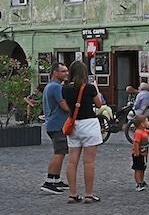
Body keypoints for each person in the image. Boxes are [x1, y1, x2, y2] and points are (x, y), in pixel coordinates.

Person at [61, 59, 104, 203]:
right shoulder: (90, 88)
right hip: (89, 124)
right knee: (89, 162)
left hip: (74, 125)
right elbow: (99, 104)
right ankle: (89, 194)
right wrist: (96, 89)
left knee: (72, 161)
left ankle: (72, 194)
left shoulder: (65, 89)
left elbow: (68, 106)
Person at [39, 62, 71, 194]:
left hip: (53, 123)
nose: (66, 73)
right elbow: (64, 105)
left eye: (67, 71)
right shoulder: (56, 87)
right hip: (57, 124)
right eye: (63, 71)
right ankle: (49, 181)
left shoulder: (49, 86)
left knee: (61, 152)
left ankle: (56, 179)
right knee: (59, 152)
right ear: (55, 73)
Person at [129, 114, 149, 191]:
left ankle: (142, 181)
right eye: (147, 121)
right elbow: (136, 143)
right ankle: (138, 183)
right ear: (142, 124)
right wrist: (137, 153)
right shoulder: (138, 133)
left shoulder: (144, 131)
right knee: (138, 169)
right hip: (139, 154)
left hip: (144, 154)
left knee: (143, 168)